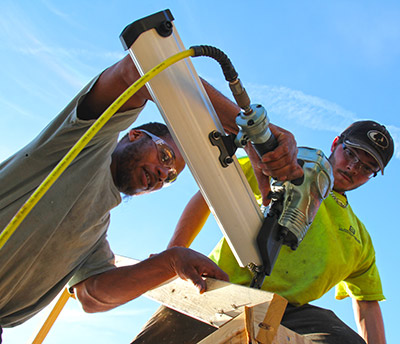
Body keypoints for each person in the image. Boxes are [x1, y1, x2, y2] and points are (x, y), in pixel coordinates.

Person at [0, 54, 301, 340]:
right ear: (135, 135)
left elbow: (91, 296)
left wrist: (170, 263)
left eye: (170, 177)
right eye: (166, 156)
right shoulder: (80, 145)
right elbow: (142, 68)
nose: (163, 174)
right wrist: (249, 130)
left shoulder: (93, 234)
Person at [132, 120, 394, 344]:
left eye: (367, 167)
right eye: (351, 154)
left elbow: (367, 302)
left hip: (286, 313)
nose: (353, 168)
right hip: (216, 288)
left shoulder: (360, 239)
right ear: (336, 143)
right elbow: (211, 192)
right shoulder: (289, 170)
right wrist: (173, 253)